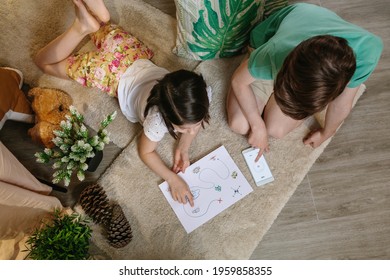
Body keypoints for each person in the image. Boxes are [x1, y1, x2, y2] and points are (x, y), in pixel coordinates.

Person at [34, 0, 211, 207]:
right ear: (165, 116)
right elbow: (146, 152)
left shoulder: (200, 90)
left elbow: (190, 125)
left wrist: (184, 146)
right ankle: (79, 28)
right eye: (185, 128)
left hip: (128, 51)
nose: (193, 131)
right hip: (108, 73)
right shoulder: (156, 120)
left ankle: (98, 19)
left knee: (102, 24)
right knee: (43, 63)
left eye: (196, 123)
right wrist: (173, 179)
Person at [226, 3, 383, 161]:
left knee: (276, 130)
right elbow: (239, 81)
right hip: (281, 43)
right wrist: (257, 125)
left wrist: (326, 133)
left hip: (305, 50)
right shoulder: (275, 50)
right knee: (239, 124)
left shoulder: (367, 53)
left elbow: (342, 104)